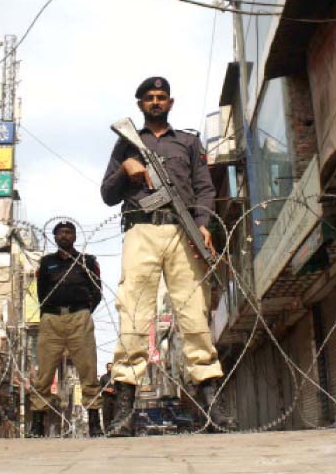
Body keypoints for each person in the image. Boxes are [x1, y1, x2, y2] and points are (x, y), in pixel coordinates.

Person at [101, 76, 235, 435]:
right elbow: (107, 194)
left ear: (171, 103)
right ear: (140, 104)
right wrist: (126, 170)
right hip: (141, 230)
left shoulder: (188, 142)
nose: (156, 102)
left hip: (181, 231)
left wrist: (203, 223)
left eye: (161, 97)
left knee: (194, 316)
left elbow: (204, 187)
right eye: (149, 98)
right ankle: (124, 411)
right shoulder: (127, 143)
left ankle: (212, 406)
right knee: (133, 315)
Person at [28, 220, 103, 437]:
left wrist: (84, 311)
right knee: (44, 373)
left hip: (79, 317)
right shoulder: (46, 263)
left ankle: (95, 423)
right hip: (52, 319)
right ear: (55, 237)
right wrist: (50, 313)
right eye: (60, 233)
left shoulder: (87, 261)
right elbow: (42, 292)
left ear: (75, 236)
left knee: (88, 370)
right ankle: (37, 425)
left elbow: (96, 290)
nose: (65, 236)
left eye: (69, 232)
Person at [98, 362, 116, 433]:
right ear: (107, 368)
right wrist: (107, 390)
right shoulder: (103, 377)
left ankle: (114, 431)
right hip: (106, 399)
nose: (110, 368)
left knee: (115, 415)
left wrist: (115, 391)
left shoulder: (116, 378)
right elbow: (99, 388)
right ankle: (107, 431)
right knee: (106, 416)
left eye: (112, 367)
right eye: (109, 367)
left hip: (115, 399)